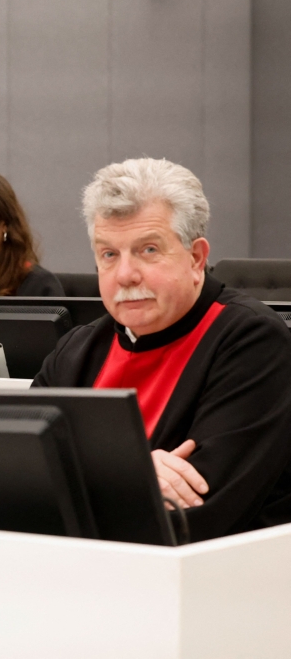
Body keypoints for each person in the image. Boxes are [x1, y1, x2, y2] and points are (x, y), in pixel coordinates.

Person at [34, 158, 291, 541]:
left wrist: (78, 476)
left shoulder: (254, 342)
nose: (125, 274)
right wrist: (130, 473)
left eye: (148, 250)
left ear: (196, 258)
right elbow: (20, 475)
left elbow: (198, 513)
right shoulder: (78, 348)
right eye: (109, 254)